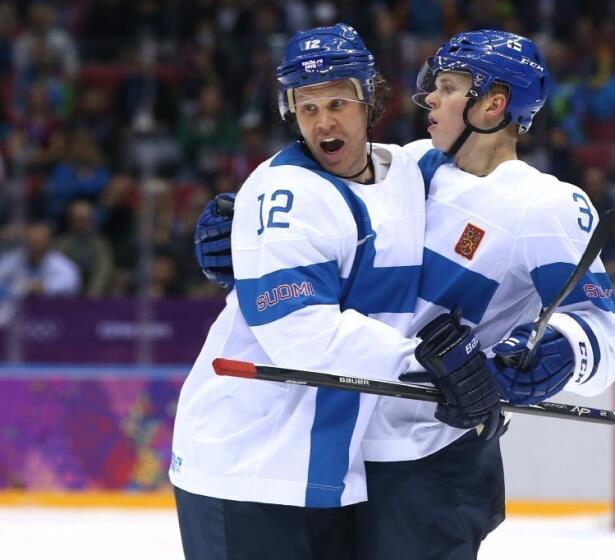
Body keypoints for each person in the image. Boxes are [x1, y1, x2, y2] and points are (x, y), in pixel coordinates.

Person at [195, 29, 615, 559]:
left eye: (447, 87)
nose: (428, 98)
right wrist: (239, 233)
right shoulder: (417, 166)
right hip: (356, 452)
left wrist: (546, 355)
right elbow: (329, 199)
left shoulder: (546, 206)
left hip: (436, 453)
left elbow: (604, 336)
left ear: (493, 105)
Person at [171, 23, 502, 560]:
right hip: (244, 466)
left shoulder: (408, 171)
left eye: (338, 102)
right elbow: (302, 335)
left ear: (369, 98)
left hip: (328, 471)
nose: (323, 121)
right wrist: (435, 367)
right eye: (307, 107)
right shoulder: (285, 192)